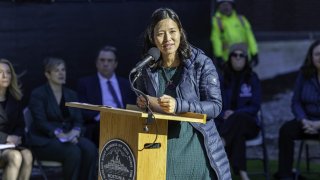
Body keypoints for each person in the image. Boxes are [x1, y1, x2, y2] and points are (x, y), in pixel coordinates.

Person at [135, 8, 231, 180]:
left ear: (180, 32)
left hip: (196, 146)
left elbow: (215, 106)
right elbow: (145, 105)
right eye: (160, 34)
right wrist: (143, 103)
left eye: (172, 31)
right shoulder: (147, 68)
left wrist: (179, 105)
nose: (167, 39)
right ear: (152, 37)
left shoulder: (201, 63)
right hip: (159, 149)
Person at [28, 57, 97, 180]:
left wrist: (75, 132)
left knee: (90, 149)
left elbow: (78, 119)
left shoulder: (71, 94)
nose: (61, 73)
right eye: (56, 70)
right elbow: (40, 122)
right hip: (45, 140)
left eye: (63, 70)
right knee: (73, 152)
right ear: (47, 74)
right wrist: (60, 134)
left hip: (69, 135)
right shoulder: (38, 94)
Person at [275, 40, 320, 180]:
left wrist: (319, 124)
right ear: (311, 57)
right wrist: (303, 120)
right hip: (306, 122)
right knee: (286, 130)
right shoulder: (304, 74)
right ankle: (286, 175)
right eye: (317, 54)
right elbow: (296, 101)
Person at [216, 43, 261, 180]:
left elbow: (255, 106)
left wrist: (235, 113)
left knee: (239, 117)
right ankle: (243, 173)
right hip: (228, 123)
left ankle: (221, 142)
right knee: (237, 134)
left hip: (249, 123)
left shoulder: (252, 78)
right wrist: (224, 113)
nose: (238, 58)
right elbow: (217, 103)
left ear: (246, 59)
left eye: (241, 55)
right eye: (234, 55)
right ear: (230, 58)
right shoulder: (223, 79)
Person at [77, 45, 136, 146]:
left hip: (125, 122)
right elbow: (81, 110)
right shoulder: (86, 83)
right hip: (99, 124)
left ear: (115, 64)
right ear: (96, 63)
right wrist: (102, 116)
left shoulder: (127, 84)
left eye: (109, 60)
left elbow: (133, 106)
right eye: (102, 60)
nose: (105, 64)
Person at [0, 59, 33, 180]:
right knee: (15, 157)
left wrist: (17, 137)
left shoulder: (15, 99)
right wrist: (6, 138)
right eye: (0, 72)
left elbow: (20, 125)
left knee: (28, 155)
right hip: (3, 144)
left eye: (8, 72)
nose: (5, 76)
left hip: (10, 145)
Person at [210, 0, 259, 68]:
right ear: (219, 7)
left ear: (232, 6)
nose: (226, 7)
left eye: (228, 5)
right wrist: (219, 56)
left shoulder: (241, 19)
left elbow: (250, 37)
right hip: (227, 60)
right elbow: (216, 40)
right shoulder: (217, 22)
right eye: (223, 5)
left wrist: (254, 53)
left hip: (244, 57)